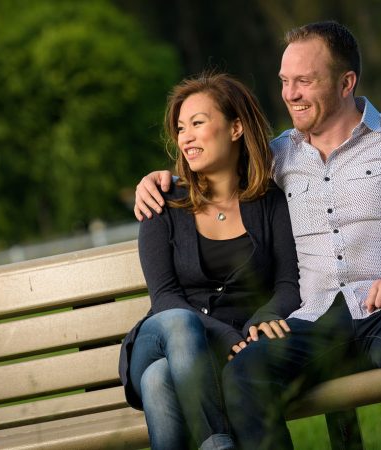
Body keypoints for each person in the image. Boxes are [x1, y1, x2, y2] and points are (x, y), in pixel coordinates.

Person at [133, 22, 381, 449]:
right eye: (284, 81)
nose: (290, 93)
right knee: (243, 373)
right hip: (315, 321)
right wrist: (164, 180)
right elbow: (217, 167)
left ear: (345, 83)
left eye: (305, 81)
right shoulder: (280, 155)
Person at [119, 72, 302, 450]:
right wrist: (225, 337)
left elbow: (288, 284)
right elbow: (165, 298)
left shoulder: (270, 204)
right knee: (181, 326)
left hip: (225, 356)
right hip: (164, 337)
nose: (185, 137)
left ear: (236, 128)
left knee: (159, 382)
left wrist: (263, 318)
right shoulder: (163, 204)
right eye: (181, 128)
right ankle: (217, 443)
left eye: (197, 123)